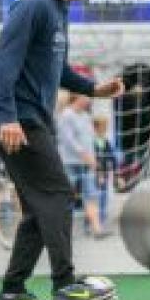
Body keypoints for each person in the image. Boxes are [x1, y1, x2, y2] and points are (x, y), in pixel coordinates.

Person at [0, 0, 124, 300]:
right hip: (18, 118)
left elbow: (57, 69)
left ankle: (12, 291)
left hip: (29, 117)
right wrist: (8, 117)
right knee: (58, 195)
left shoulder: (58, 8)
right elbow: (2, 62)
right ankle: (65, 286)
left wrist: (94, 89)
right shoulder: (34, 3)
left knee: (37, 206)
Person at [56, 93, 109, 238]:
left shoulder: (86, 116)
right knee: (67, 196)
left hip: (87, 163)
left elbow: (89, 141)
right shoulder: (66, 115)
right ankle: (61, 229)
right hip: (70, 162)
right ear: (77, 97)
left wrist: (94, 160)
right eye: (86, 97)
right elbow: (68, 140)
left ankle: (97, 229)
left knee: (91, 194)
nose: (89, 100)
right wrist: (85, 155)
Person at [92, 113, 118, 226]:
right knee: (95, 196)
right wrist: (99, 173)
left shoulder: (105, 141)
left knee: (104, 195)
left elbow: (111, 157)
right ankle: (92, 220)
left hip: (104, 172)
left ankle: (101, 218)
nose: (105, 130)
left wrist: (115, 171)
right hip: (96, 172)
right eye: (103, 127)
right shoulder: (92, 141)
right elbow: (95, 158)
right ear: (96, 128)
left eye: (105, 127)